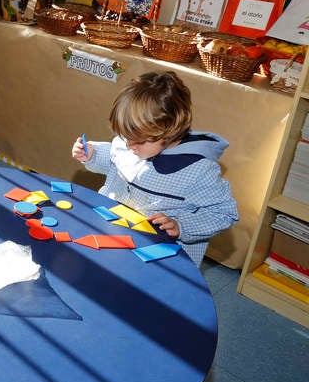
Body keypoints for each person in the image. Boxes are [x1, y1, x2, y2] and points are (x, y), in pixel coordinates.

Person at [71, 71, 238, 265]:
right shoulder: (132, 142)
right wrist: (92, 154)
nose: (128, 145)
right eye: (125, 137)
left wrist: (181, 226)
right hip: (113, 236)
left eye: (138, 142)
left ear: (169, 131)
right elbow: (114, 158)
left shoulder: (199, 171)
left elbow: (224, 213)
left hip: (161, 259)